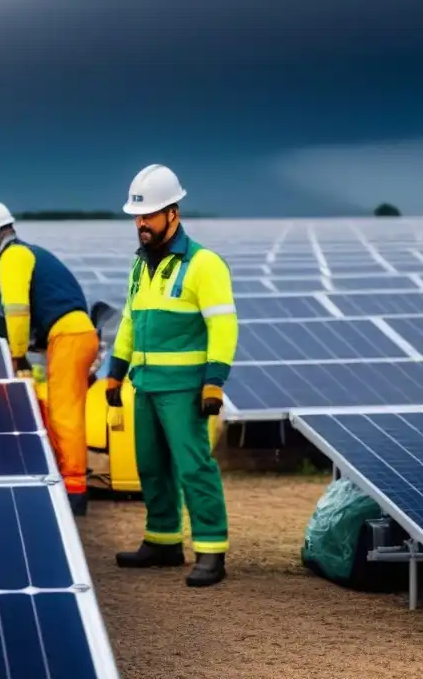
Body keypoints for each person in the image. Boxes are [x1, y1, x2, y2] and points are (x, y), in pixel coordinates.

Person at [104, 164, 238, 587]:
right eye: (137, 217)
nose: (141, 224)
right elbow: (129, 321)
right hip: (144, 385)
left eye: (149, 216)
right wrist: (115, 372)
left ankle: (211, 550)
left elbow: (224, 324)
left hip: (184, 390)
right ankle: (162, 541)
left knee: (193, 467)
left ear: (173, 214)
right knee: (151, 466)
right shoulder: (139, 266)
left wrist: (215, 381)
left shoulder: (204, 264)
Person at [0, 200, 99, 516]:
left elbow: (16, 310)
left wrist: (17, 356)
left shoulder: (14, 256)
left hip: (69, 337)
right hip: (74, 334)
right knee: (59, 409)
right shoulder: (24, 254)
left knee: (64, 415)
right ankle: (69, 481)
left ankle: (74, 492)